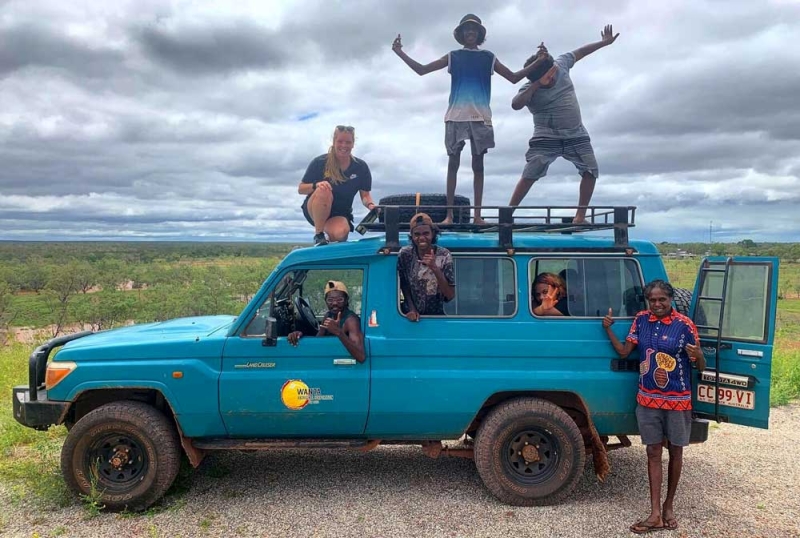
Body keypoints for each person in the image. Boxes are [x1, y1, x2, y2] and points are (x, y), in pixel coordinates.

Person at [392, 14, 550, 224]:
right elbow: (422, 70)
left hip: (480, 116)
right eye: (466, 30)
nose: (470, 33)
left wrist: (538, 62)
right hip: (455, 116)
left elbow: (513, 77)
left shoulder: (488, 57)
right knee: (453, 163)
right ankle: (449, 215)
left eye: (474, 30)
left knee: (479, 165)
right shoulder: (453, 56)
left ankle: (477, 215)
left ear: (479, 34)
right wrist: (400, 52)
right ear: (461, 34)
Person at [602, 279, 706, 534]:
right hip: (647, 399)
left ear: (671, 299)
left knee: (677, 452)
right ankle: (655, 513)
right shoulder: (641, 320)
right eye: (653, 300)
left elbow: (699, 366)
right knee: (652, 453)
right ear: (647, 301)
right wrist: (608, 329)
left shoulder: (685, 326)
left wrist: (700, 357)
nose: (657, 304)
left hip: (678, 399)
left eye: (662, 299)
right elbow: (625, 352)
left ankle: (669, 505)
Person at [508, 25, 620, 224]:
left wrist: (604, 43)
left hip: (576, 134)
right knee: (531, 172)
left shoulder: (561, 64)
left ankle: (580, 216)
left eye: (552, 73)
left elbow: (581, 52)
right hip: (546, 135)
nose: (552, 78)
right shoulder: (531, 86)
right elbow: (516, 104)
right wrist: (537, 85)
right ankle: (507, 214)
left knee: (590, 170)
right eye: (547, 78)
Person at [299, 126, 376, 246]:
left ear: (353, 144)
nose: (344, 145)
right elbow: (301, 189)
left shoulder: (361, 167)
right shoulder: (320, 162)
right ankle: (319, 235)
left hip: (340, 212)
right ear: (334, 142)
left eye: (348, 142)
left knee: (340, 234)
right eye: (340, 141)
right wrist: (317, 185)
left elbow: (365, 195)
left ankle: (329, 247)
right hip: (315, 209)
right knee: (324, 189)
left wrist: (371, 206)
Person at [287, 281, 365, 363]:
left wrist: (339, 332)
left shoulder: (351, 320)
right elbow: (317, 341)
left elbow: (361, 356)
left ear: (346, 300)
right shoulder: (328, 315)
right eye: (330, 300)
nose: (335, 303)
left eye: (340, 300)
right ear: (325, 301)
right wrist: (300, 335)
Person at [397, 213, 455, 320]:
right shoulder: (405, 254)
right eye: (417, 234)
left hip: (437, 318)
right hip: (411, 317)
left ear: (433, 234)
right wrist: (411, 309)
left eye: (426, 233)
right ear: (412, 236)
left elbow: (450, 295)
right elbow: (404, 284)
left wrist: (434, 268)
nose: (421, 238)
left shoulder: (444, 255)